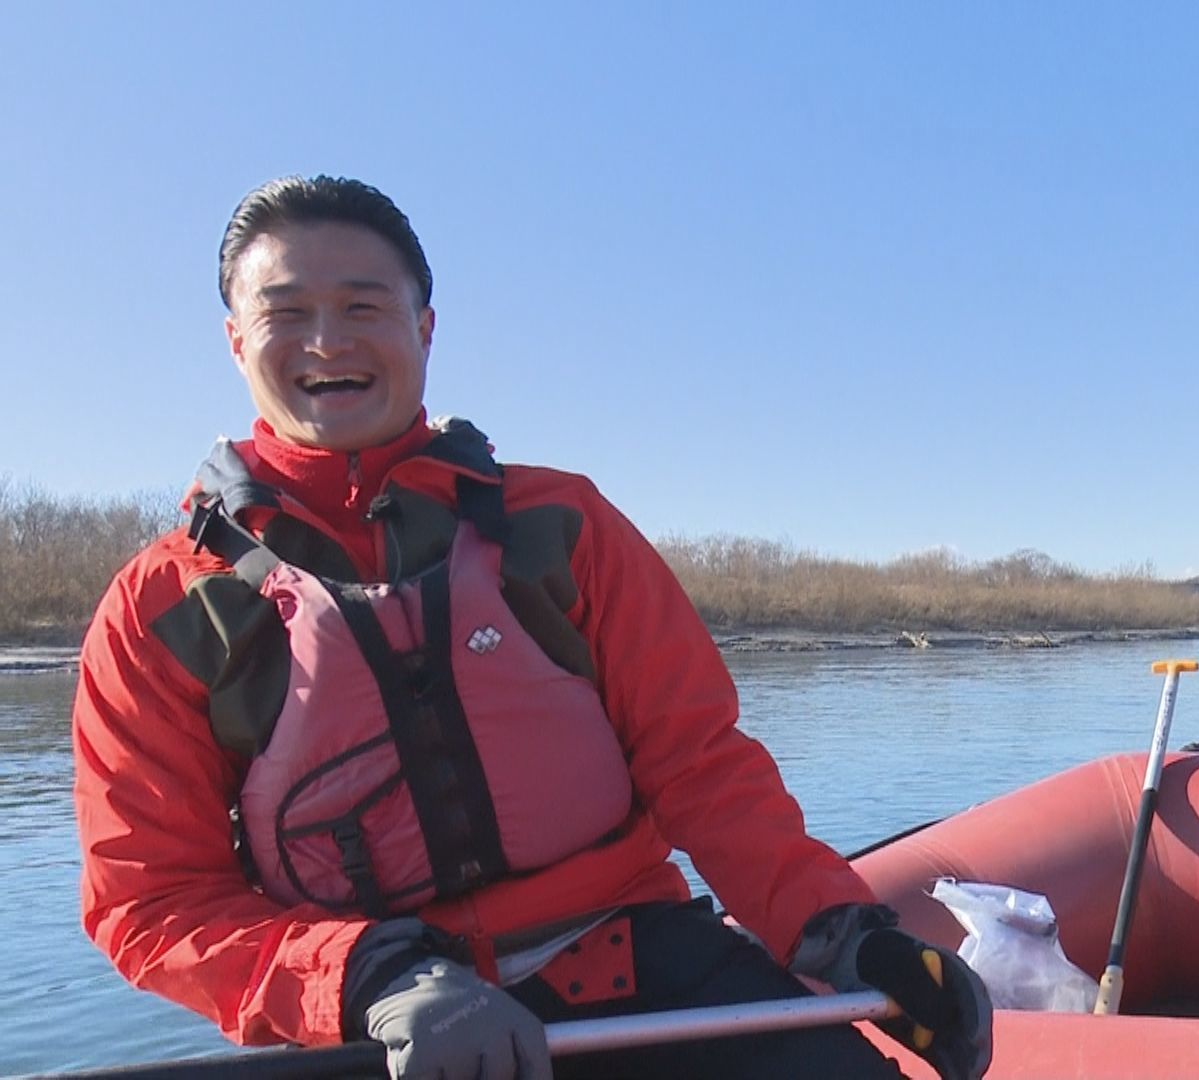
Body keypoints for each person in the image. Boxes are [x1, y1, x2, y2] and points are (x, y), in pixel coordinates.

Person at [72, 175, 991, 1080]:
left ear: (424, 328)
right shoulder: (157, 607)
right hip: (372, 1024)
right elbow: (150, 901)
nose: (327, 340)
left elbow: (703, 768)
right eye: (287, 311)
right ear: (237, 342)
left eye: (363, 306)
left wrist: (845, 933)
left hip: (638, 966)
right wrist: (366, 976)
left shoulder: (564, 524)